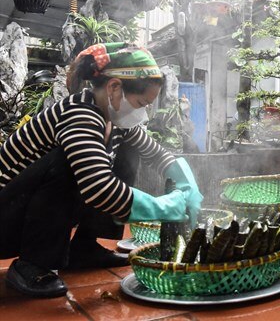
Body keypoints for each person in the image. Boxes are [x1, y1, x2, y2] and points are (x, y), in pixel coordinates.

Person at [0, 42, 203, 298]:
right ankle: (33, 263)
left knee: (128, 151)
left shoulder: (114, 120)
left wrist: (186, 182)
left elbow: (156, 153)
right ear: (115, 87)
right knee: (69, 162)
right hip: (6, 221)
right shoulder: (79, 114)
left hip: (20, 214)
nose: (144, 112)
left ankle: (84, 247)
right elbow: (99, 188)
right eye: (141, 103)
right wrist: (163, 208)